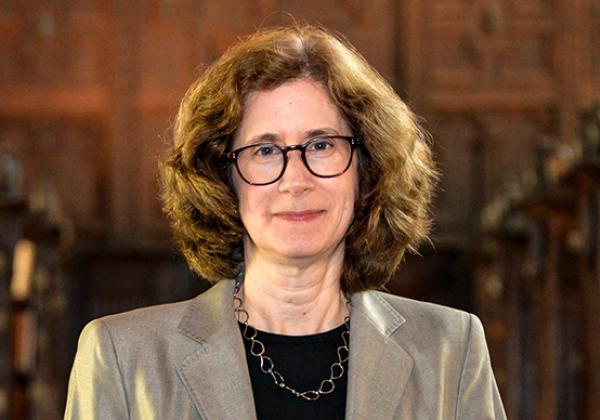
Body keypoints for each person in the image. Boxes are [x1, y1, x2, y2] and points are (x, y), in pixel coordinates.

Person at [64, 24, 507, 419]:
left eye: (321, 146)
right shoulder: (124, 357)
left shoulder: (451, 349)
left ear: (366, 169)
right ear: (224, 178)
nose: (296, 180)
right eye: (265, 150)